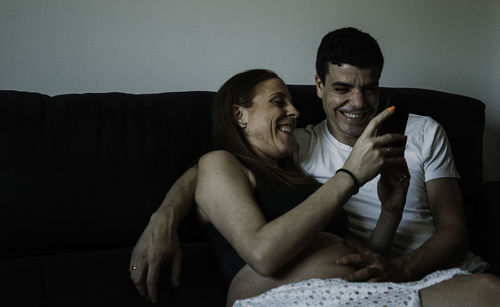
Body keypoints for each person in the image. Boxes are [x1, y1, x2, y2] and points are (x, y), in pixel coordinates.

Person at [129, 27, 500, 304]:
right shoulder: (298, 145)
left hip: (389, 277)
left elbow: (425, 239)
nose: (358, 101)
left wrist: (391, 211)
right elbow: (210, 174)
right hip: (324, 291)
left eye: (369, 88)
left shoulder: (293, 160)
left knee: (488, 290)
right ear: (319, 86)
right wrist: (163, 216)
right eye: (342, 88)